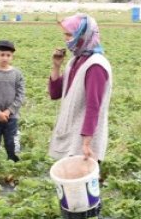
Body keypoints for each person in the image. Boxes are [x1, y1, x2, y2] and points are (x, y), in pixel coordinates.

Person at [48, 13, 113, 162]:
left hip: (83, 140)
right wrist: (56, 67)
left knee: (79, 182)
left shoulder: (96, 66)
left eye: (69, 35)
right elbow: (55, 93)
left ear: (83, 35)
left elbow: (93, 106)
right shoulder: (75, 60)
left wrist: (86, 143)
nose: (66, 39)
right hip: (71, 133)